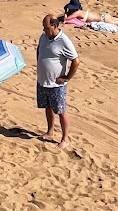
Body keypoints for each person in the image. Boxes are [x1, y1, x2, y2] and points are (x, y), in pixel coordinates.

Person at [36, 14, 79, 150]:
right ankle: (50, 131)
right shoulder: (44, 37)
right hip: (43, 81)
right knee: (47, 107)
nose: (44, 30)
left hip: (57, 84)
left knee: (61, 110)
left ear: (54, 26)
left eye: (47, 27)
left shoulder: (64, 41)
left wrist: (67, 77)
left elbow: (76, 61)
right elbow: (39, 50)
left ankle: (65, 138)